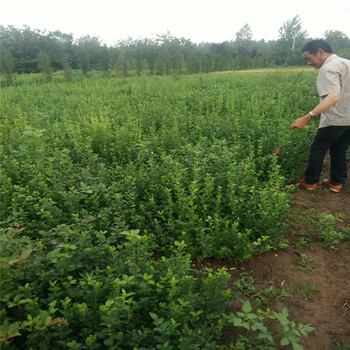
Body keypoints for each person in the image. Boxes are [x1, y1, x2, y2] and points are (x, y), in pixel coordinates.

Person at [291, 40, 350, 193]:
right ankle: (336, 182)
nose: (309, 62)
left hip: (335, 118)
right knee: (339, 149)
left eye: (309, 58)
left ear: (320, 52)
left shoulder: (328, 68)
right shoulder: (346, 63)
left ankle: (310, 182)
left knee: (318, 149)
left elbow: (333, 97)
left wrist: (307, 117)